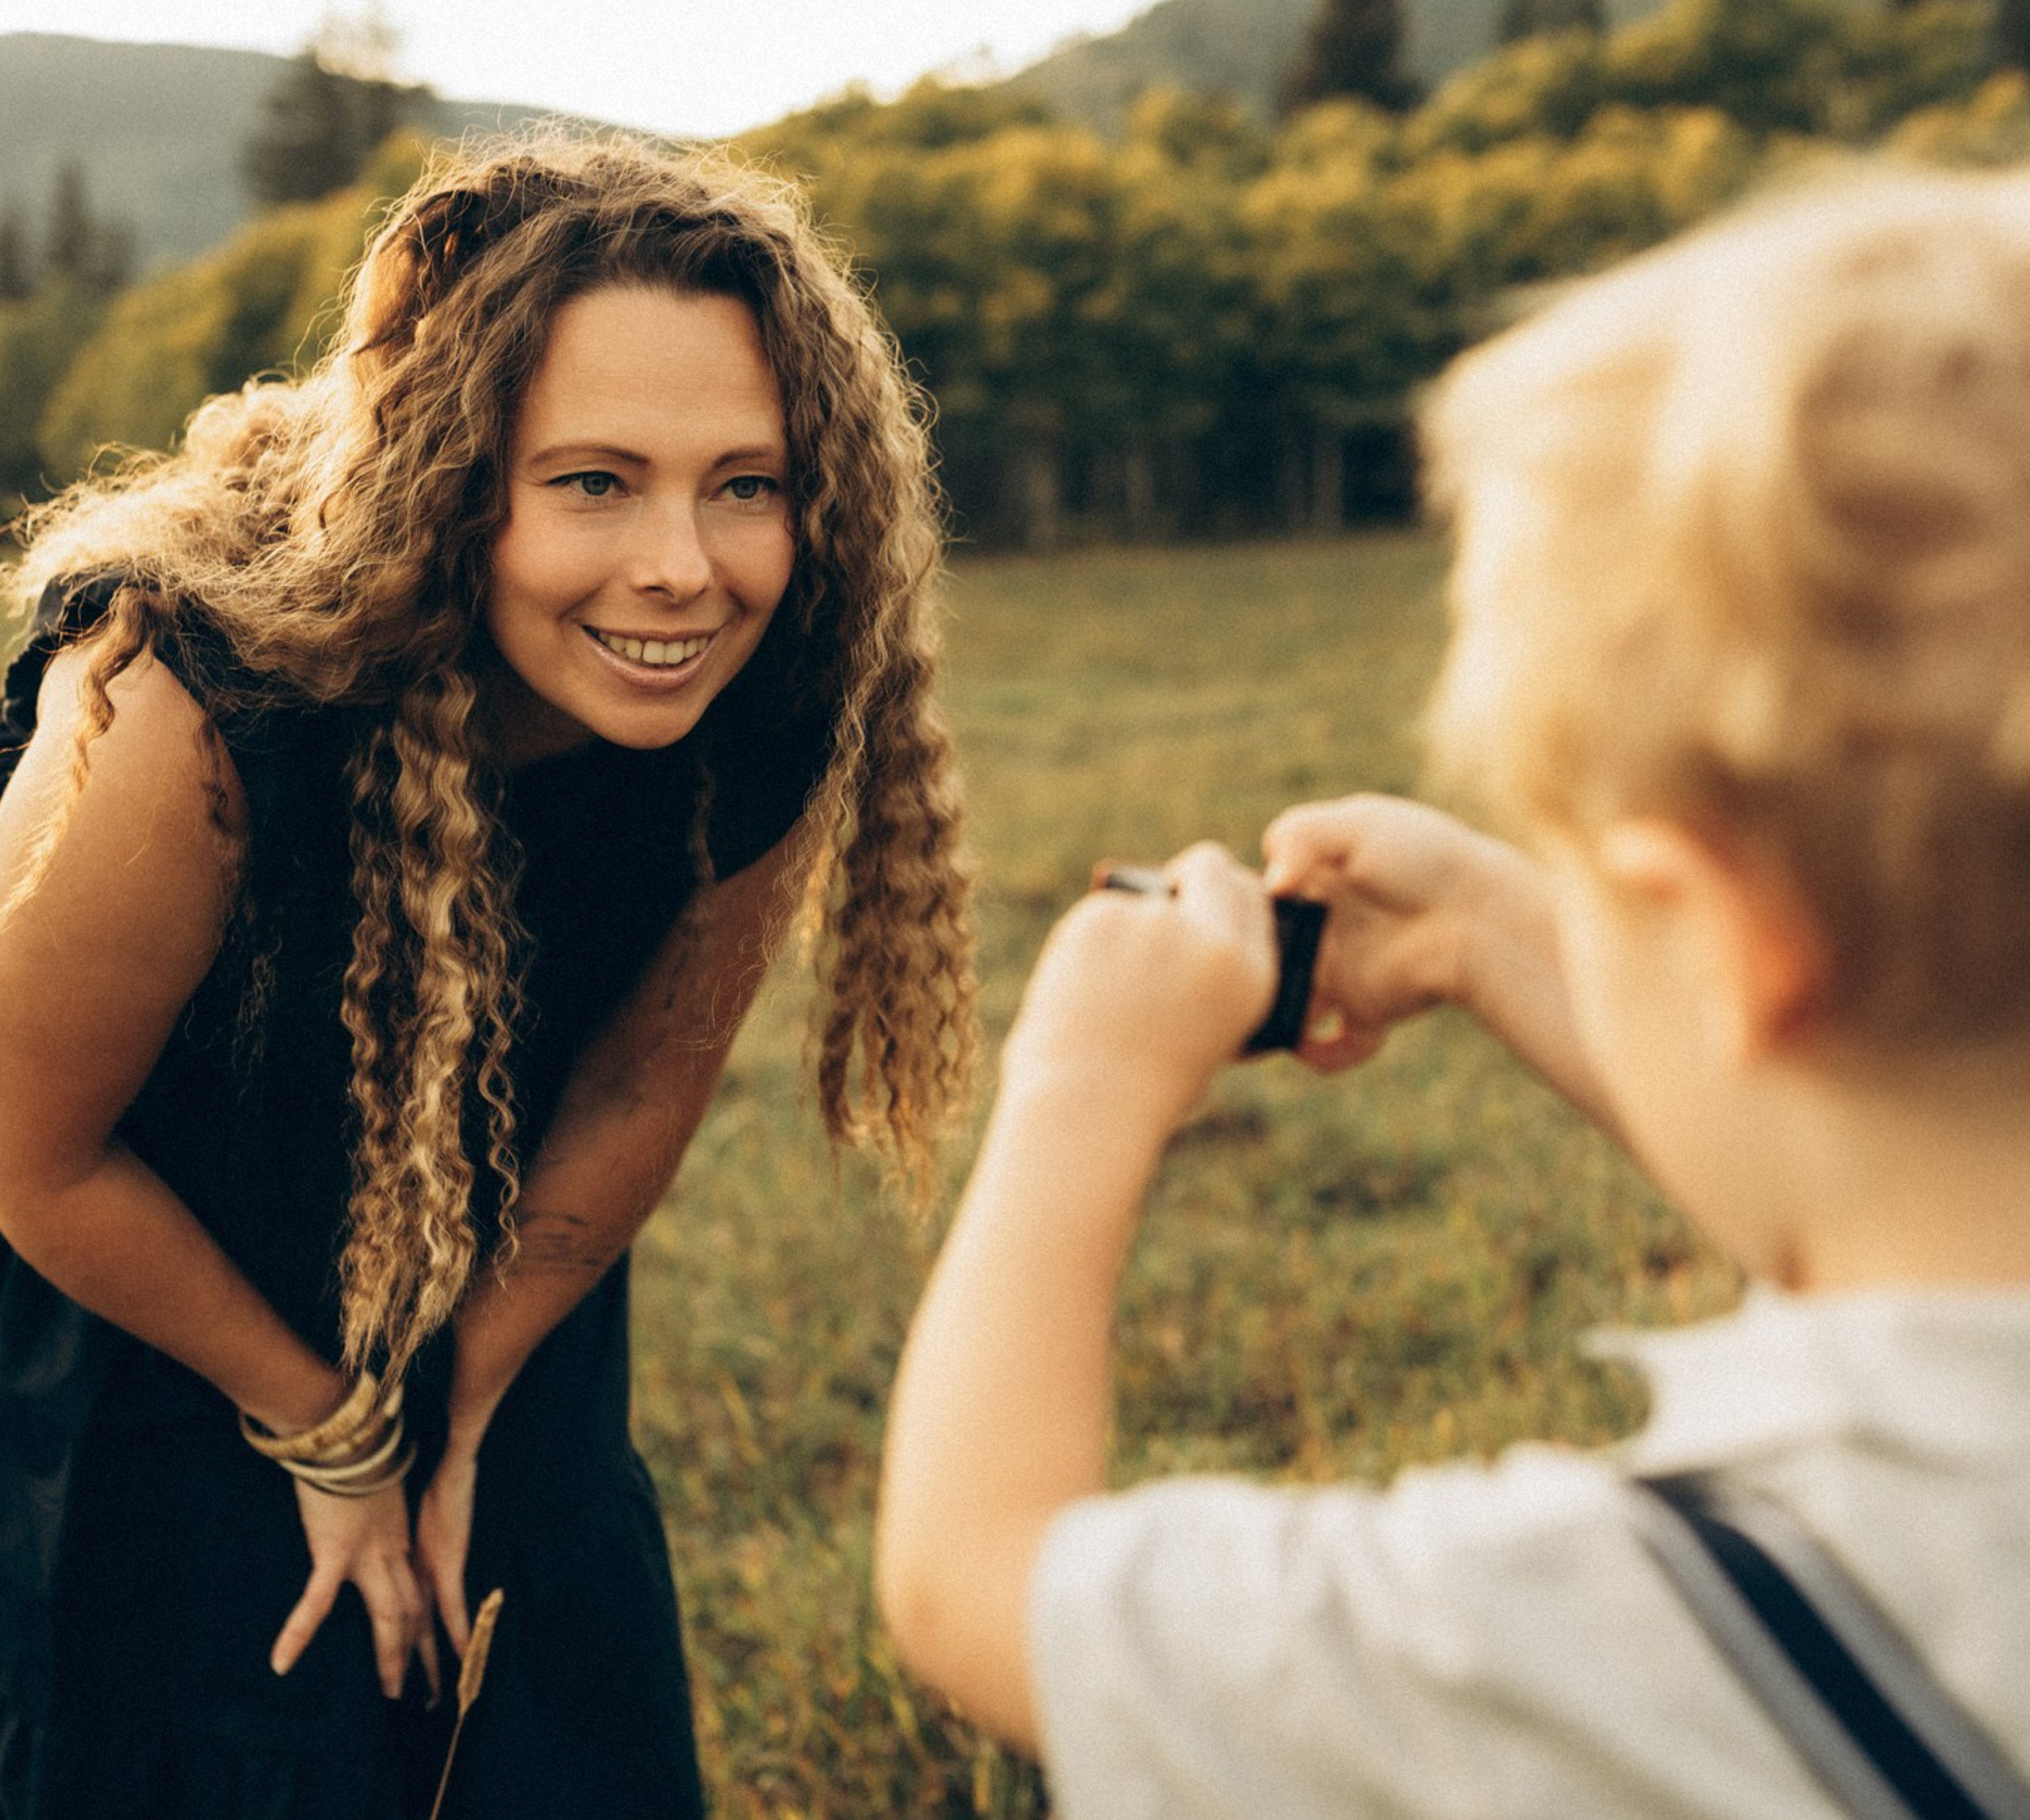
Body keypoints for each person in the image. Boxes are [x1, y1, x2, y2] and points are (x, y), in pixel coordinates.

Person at [875, 164, 2030, 1815]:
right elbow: (1867, 1186)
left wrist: (1079, 1083)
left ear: (1721, 938)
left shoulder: (1647, 1625)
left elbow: (976, 1580)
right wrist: (1506, 935)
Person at [0, 129, 975, 1819]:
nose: (683, 564)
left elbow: (630, 1091)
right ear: (452, 480)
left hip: (491, 1288)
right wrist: (327, 1433)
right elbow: (30, 1148)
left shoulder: (768, 692)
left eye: (743, 481)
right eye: (594, 480)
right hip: (125, 1308)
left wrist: (452, 1416)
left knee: (531, 1675)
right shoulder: (196, 704)